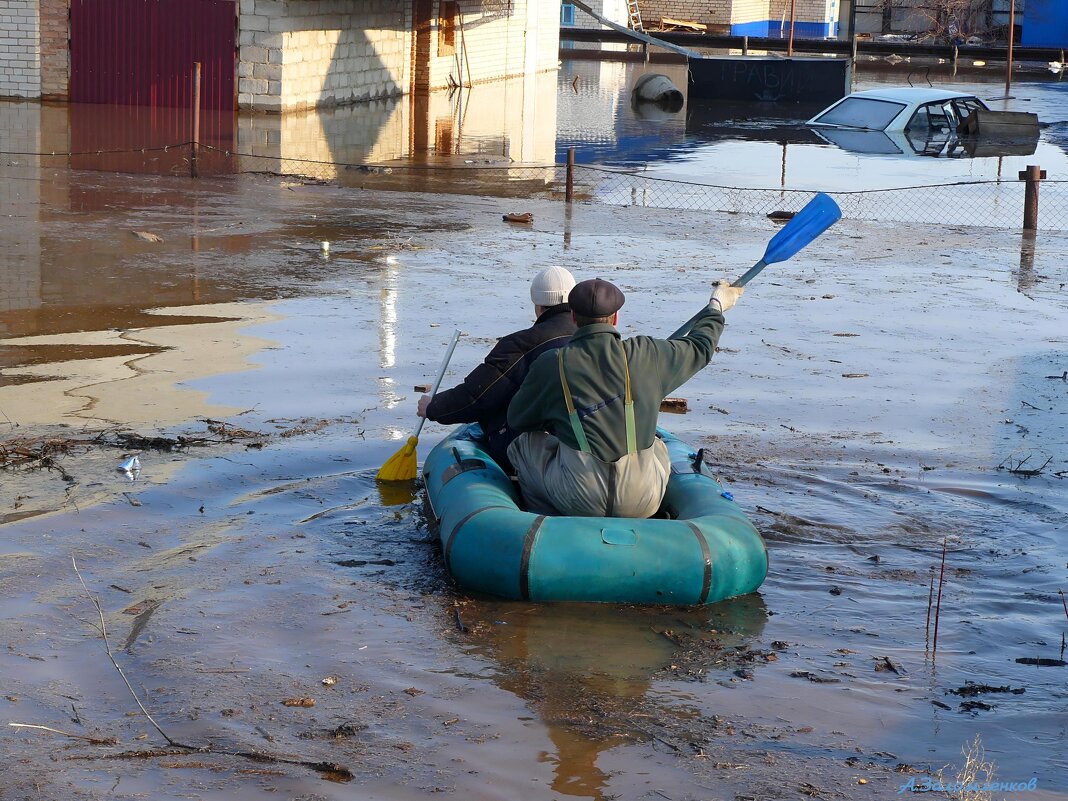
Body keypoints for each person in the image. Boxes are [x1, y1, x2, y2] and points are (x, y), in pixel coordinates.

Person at [506, 277, 743, 518]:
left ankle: (540, 521)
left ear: (574, 318)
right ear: (616, 317)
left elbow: (518, 420)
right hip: (644, 498)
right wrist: (716, 305)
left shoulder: (553, 363)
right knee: (659, 444)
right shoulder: (648, 354)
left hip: (577, 498)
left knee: (523, 444)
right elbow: (700, 347)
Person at [417, 266, 578, 472]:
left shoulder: (521, 344)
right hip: (582, 449)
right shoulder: (593, 340)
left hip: (534, 453)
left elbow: (477, 396)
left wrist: (433, 407)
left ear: (538, 305)